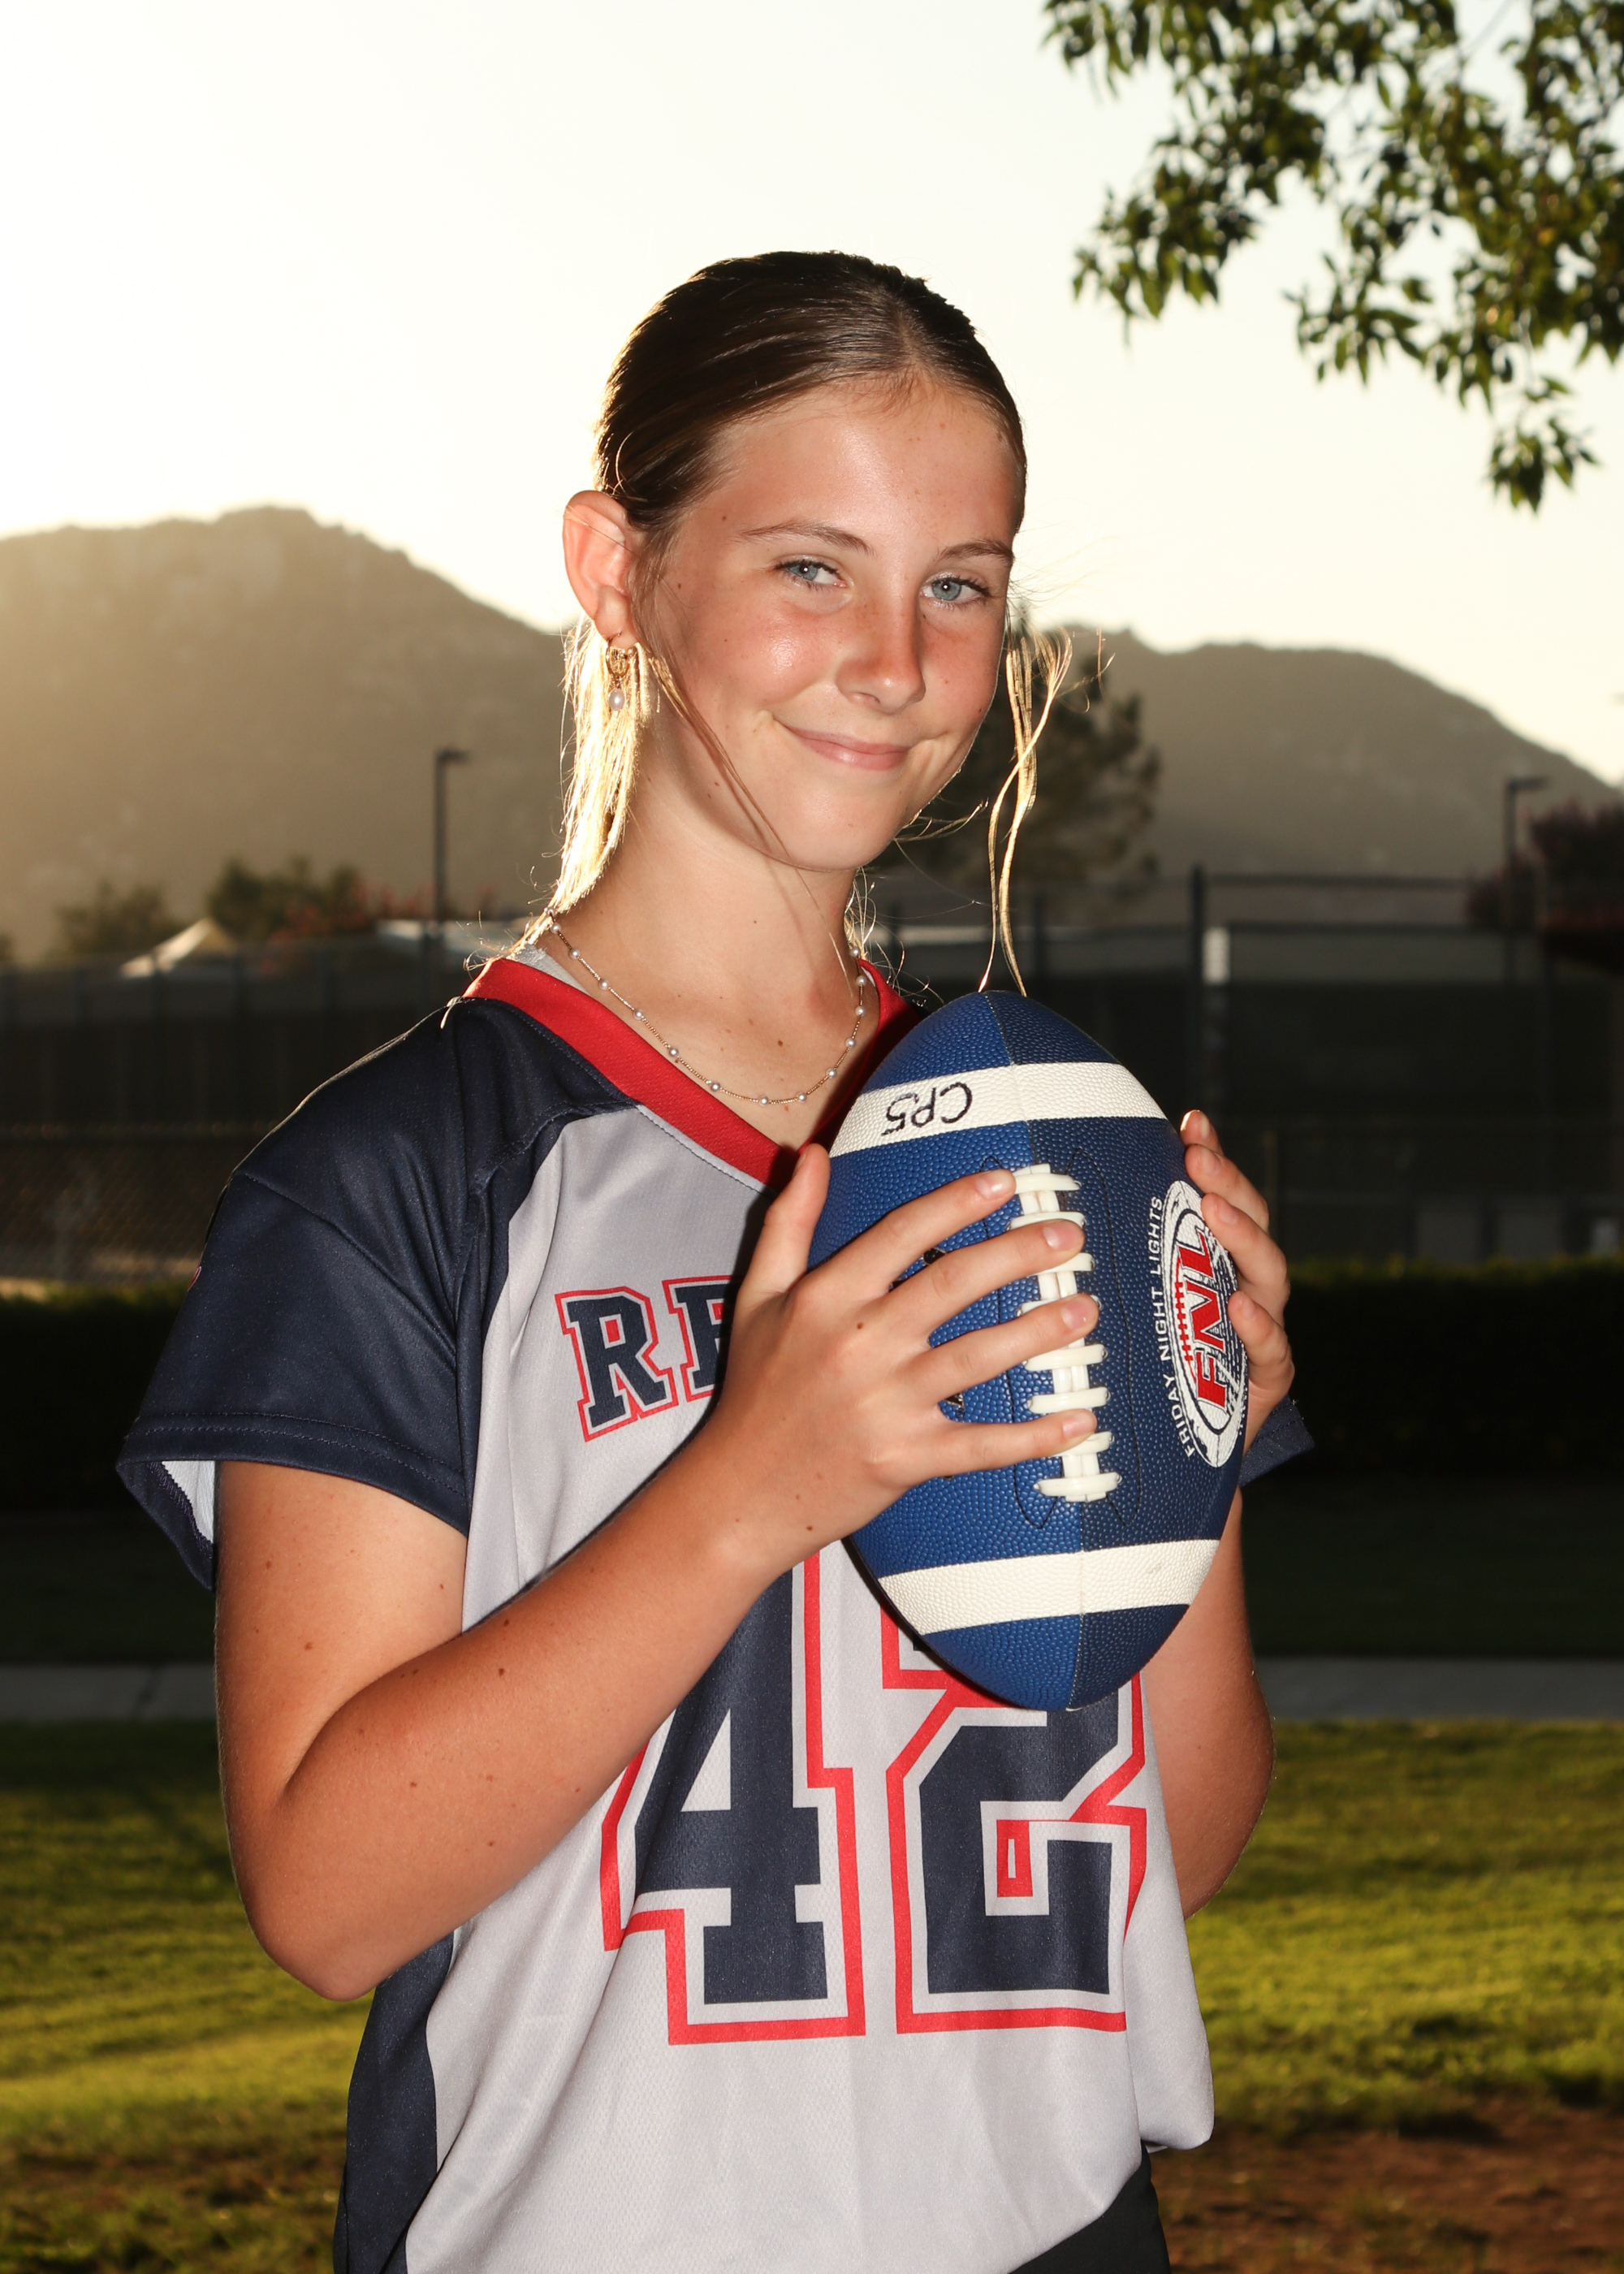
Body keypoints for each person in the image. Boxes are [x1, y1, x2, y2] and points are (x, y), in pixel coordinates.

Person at [121, 250, 1298, 2274]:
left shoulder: (1057, 1141)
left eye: (959, 582)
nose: (897, 660)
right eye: (811, 566)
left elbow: (1163, 1852)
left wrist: (1194, 1447)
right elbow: (325, 1893)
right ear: (620, 569)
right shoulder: (397, 1179)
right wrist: (751, 1483)